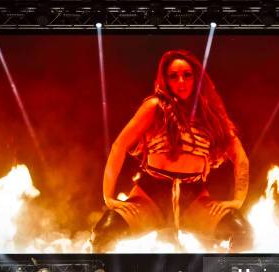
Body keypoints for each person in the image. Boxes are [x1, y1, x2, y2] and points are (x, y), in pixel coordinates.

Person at [92, 49, 252, 252]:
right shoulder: (155, 107)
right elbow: (119, 145)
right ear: (165, 80)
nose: (181, 82)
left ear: (196, 78)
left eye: (187, 75)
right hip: (151, 195)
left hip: (193, 199)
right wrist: (108, 196)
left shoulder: (210, 115)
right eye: (174, 76)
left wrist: (238, 200)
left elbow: (240, 158)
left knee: (243, 234)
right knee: (104, 232)